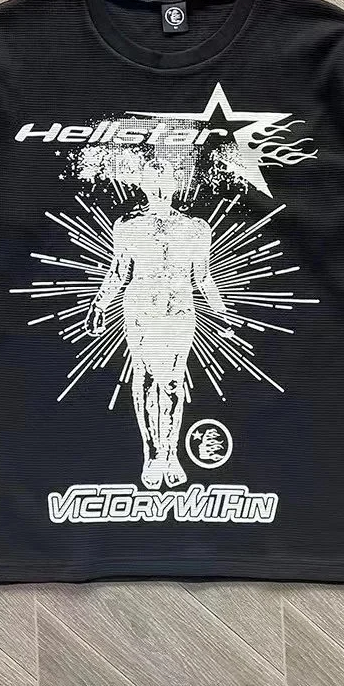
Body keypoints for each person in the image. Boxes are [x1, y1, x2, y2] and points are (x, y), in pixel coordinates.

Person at [85, 160, 229, 489]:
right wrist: (99, 304)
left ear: (176, 185)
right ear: (144, 185)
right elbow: (119, 271)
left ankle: (171, 453)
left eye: (166, 182)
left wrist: (221, 314)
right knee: (148, 378)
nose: (160, 189)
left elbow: (203, 277)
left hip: (179, 309)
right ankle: (152, 454)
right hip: (141, 308)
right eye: (154, 182)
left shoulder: (196, 228)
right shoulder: (127, 225)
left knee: (174, 382)